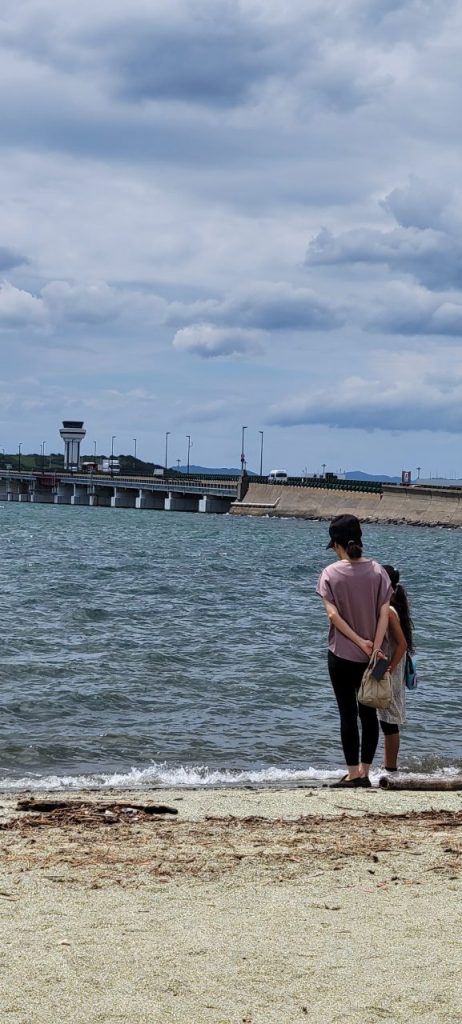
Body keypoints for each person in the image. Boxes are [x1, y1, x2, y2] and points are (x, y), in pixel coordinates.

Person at [317, 514, 393, 788]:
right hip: (377, 657)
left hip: (341, 654)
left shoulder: (329, 573)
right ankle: (365, 772)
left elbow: (333, 617)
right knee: (369, 714)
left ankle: (352, 774)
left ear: (336, 544)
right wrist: (373, 644)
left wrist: (359, 641)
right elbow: (384, 613)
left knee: (347, 714)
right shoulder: (378, 572)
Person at [379, 565, 414, 771]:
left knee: (389, 722)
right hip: (390, 666)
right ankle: (388, 766)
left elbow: (402, 644)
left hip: (389, 667)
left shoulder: (390, 611)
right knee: (386, 720)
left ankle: (390, 768)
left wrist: (389, 669)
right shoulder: (393, 606)